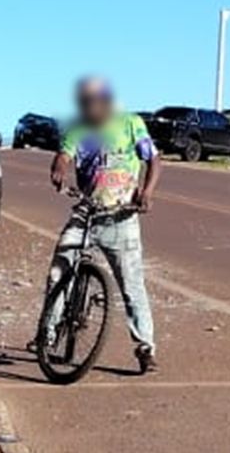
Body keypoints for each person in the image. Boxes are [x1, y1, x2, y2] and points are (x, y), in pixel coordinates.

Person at [46, 76, 161, 372]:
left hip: (121, 216)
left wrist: (146, 192)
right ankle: (47, 335)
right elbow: (64, 156)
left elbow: (153, 159)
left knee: (132, 285)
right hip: (87, 212)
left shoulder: (131, 124)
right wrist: (59, 169)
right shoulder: (77, 128)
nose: (90, 109)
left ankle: (145, 347)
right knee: (60, 270)